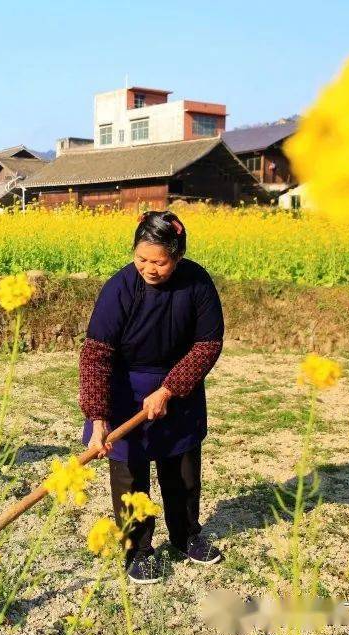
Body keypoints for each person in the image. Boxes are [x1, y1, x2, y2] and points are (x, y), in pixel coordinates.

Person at [78, 210, 225, 585]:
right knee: (130, 476)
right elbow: (96, 353)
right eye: (141, 258)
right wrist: (99, 418)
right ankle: (137, 550)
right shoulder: (119, 288)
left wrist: (170, 389)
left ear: (177, 257)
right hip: (126, 389)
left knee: (182, 470)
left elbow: (207, 344)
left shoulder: (197, 283)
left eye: (159, 262)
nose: (149, 268)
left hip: (179, 389)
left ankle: (186, 535)